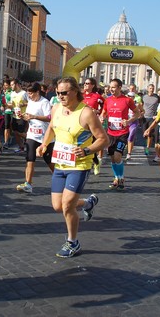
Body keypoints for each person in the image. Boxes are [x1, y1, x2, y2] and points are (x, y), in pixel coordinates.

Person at [37, 77, 108, 258]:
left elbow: (103, 139)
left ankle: (72, 242)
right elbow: (51, 128)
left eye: (64, 93)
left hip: (79, 165)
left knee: (67, 205)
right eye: (58, 92)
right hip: (60, 163)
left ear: (75, 91)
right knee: (57, 206)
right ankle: (88, 203)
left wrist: (86, 150)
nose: (60, 96)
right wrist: (44, 145)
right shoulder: (56, 108)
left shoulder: (86, 113)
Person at [101, 79, 140, 190]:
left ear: (119, 87)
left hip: (122, 132)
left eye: (113, 87)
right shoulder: (107, 100)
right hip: (110, 133)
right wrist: (101, 118)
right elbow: (104, 113)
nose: (111, 89)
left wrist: (129, 121)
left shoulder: (127, 100)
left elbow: (137, 113)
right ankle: (116, 178)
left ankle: (121, 178)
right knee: (113, 158)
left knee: (118, 156)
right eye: (110, 87)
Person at [16, 83, 54, 193]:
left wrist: (34, 116)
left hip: (45, 137)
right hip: (32, 135)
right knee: (30, 159)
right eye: (28, 93)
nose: (29, 95)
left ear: (37, 92)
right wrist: (23, 116)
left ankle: (60, 180)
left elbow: (49, 118)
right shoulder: (30, 102)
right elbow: (29, 116)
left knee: (49, 161)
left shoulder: (44, 102)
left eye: (31, 93)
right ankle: (28, 184)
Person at [81, 77, 105, 175]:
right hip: (81, 122)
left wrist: (98, 112)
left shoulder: (97, 96)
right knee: (83, 143)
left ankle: (96, 162)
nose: (86, 85)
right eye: (85, 83)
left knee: (93, 143)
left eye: (88, 83)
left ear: (93, 85)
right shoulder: (80, 96)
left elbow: (105, 107)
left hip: (94, 122)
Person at [9, 79, 29, 153]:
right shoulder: (12, 93)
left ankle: (32, 140)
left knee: (20, 132)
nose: (11, 86)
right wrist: (6, 105)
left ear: (17, 84)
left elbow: (30, 103)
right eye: (10, 85)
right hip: (14, 115)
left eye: (12, 85)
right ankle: (21, 147)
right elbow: (11, 104)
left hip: (22, 115)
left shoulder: (23, 93)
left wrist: (23, 104)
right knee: (15, 132)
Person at [126, 84, 144, 160]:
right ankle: (127, 148)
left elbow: (143, 111)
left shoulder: (137, 104)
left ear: (134, 97)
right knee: (125, 137)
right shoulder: (124, 103)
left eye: (132, 96)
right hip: (126, 122)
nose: (130, 97)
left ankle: (129, 153)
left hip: (133, 122)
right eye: (129, 96)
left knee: (131, 136)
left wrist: (140, 115)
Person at [142, 84, 160, 156]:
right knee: (144, 134)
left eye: (152, 88)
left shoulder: (156, 97)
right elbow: (141, 105)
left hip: (152, 118)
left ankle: (147, 148)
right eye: (150, 88)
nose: (151, 89)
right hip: (144, 117)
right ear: (147, 89)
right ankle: (147, 143)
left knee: (149, 133)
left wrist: (157, 114)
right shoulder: (144, 97)